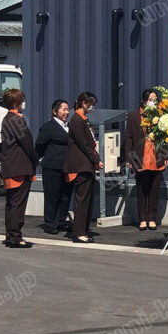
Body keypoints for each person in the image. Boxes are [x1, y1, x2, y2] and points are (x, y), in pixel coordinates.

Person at [126, 88, 168, 231]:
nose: (153, 102)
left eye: (155, 100)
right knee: (141, 189)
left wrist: (166, 154)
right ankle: (142, 218)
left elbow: (166, 137)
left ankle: (152, 218)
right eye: (151, 99)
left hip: (156, 156)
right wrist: (128, 158)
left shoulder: (160, 115)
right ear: (144, 101)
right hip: (140, 156)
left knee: (154, 189)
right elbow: (129, 138)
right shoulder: (133, 116)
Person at [0, 88, 38, 249]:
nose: (24, 103)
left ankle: (10, 235)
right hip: (20, 168)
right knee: (18, 204)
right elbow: (27, 143)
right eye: (22, 100)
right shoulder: (17, 120)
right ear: (16, 103)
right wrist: (36, 159)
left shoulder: (6, 119)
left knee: (11, 203)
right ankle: (16, 237)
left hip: (10, 167)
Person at [65, 92, 103, 243]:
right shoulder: (76, 120)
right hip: (81, 165)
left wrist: (96, 160)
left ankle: (84, 230)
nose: (91, 107)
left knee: (88, 199)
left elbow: (90, 144)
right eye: (90, 104)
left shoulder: (84, 120)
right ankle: (79, 232)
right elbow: (84, 144)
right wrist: (95, 160)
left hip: (87, 164)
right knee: (81, 200)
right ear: (83, 103)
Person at [35, 99, 72, 235]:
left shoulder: (69, 126)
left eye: (67, 109)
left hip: (67, 166)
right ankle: (51, 223)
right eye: (64, 109)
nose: (66, 112)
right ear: (55, 111)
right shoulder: (49, 127)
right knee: (52, 195)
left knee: (65, 195)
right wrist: (40, 158)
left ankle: (62, 221)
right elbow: (40, 145)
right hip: (52, 166)